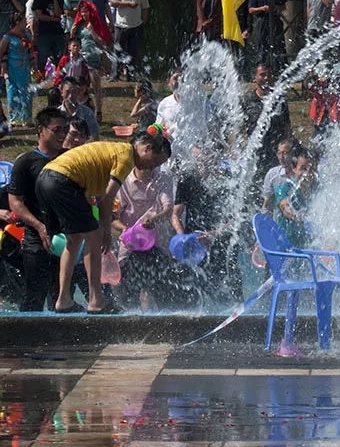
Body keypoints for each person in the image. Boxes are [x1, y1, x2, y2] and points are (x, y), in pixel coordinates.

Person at [36, 130, 171, 313]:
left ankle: (63, 300)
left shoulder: (110, 155)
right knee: (94, 238)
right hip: (63, 180)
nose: (152, 167)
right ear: (147, 148)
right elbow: (107, 200)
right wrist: (106, 233)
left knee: (74, 240)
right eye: (155, 161)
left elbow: (99, 197)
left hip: (45, 179)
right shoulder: (126, 156)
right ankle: (96, 300)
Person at [6, 108, 67, 311]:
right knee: (35, 294)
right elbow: (15, 202)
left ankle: (66, 339)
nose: (62, 135)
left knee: (63, 293)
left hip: (68, 237)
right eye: (57, 129)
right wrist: (39, 226)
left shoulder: (70, 158)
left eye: (64, 129)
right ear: (41, 130)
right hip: (35, 237)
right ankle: (26, 339)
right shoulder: (26, 162)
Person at [172, 146, 243, 305]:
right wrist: (182, 236)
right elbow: (175, 214)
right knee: (197, 285)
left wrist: (214, 234)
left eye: (207, 157)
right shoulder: (187, 179)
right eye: (199, 158)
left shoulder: (228, 180)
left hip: (222, 240)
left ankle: (241, 313)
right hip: (195, 242)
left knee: (230, 277)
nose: (203, 162)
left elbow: (236, 218)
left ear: (216, 157)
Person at [113, 162, 174, 309]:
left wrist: (155, 219)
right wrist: (125, 230)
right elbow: (112, 218)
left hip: (158, 246)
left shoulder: (163, 178)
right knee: (128, 303)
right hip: (129, 248)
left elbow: (168, 209)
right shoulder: (121, 181)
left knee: (162, 299)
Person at [243, 63, 292, 188]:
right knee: (256, 187)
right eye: (262, 75)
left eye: (269, 75)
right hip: (256, 154)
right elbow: (238, 128)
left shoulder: (278, 99)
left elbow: (287, 126)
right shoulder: (247, 100)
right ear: (254, 77)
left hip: (276, 153)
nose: (266, 78)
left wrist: (287, 149)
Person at [71, 0, 112, 121]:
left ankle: (99, 112)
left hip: (93, 58)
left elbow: (103, 42)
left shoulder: (97, 23)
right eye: (82, 12)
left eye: (86, 11)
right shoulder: (79, 25)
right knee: (78, 85)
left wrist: (92, 31)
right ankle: (77, 111)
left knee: (96, 86)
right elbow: (73, 42)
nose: (84, 14)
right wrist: (72, 32)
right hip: (81, 58)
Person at [109, 0, 149, 75]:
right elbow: (112, 2)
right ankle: (115, 74)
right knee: (118, 50)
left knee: (133, 52)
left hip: (136, 25)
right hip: (121, 25)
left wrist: (144, 19)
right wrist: (128, 4)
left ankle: (131, 75)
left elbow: (145, 7)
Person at [274, 145, 315, 248]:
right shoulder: (285, 188)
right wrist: (301, 218)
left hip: (305, 246)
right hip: (286, 247)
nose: (307, 174)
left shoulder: (317, 190)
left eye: (310, 169)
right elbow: (285, 208)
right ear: (294, 170)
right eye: (303, 169)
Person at [248, 0, 286, 73]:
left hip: (275, 21)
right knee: (261, 46)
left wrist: (277, 8)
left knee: (278, 44)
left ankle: (280, 70)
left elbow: (283, 6)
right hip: (262, 21)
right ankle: (261, 71)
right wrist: (262, 8)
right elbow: (250, 10)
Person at [0, 12, 33, 126]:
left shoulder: (27, 34)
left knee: (26, 91)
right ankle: (14, 118)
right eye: (24, 20)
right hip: (12, 68)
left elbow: (31, 49)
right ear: (18, 22)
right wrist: (3, 69)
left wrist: (34, 63)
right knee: (12, 92)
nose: (26, 22)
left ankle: (27, 118)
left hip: (25, 67)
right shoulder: (7, 36)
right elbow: (1, 52)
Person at [31, 0, 65, 72]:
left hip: (58, 32)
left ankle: (59, 81)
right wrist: (54, 19)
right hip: (44, 33)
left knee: (60, 57)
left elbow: (58, 14)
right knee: (42, 57)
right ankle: (40, 80)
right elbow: (40, 16)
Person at [58, 76, 99, 140]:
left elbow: (95, 136)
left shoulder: (87, 113)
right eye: (67, 92)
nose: (70, 96)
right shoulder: (56, 114)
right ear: (61, 92)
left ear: (78, 92)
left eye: (74, 92)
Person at [262, 139, 293, 213]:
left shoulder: (300, 174)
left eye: (285, 153)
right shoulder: (272, 174)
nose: (281, 157)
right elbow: (267, 203)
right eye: (279, 153)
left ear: (292, 153)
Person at [155, 70, 181, 137]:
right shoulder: (164, 103)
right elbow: (159, 124)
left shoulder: (197, 103)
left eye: (183, 79)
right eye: (176, 79)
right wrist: (156, 129)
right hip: (170, 145)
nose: (179, 82)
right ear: (169, 82)